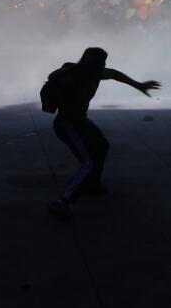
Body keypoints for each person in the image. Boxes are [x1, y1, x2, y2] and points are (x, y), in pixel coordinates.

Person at [44, 47, 160, 220]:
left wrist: (139, 85)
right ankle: (62, 202)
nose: (104, 66)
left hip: (81, 122)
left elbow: (115, 74)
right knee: (88, 163)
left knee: (102, 146)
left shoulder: (95, 73)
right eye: (102, 63)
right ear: (92, 64)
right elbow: (57, 87)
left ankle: (92, 184)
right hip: (67, 124)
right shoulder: (72, 78)